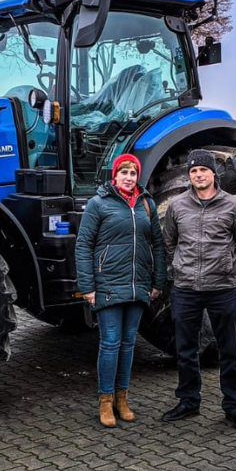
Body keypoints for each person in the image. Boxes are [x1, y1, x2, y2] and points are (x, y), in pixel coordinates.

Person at [160, 149, 236, 430]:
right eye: (193, 171)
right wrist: (178, 269)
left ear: (213, 173)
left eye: (203, 170)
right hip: (186, 289)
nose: (198, 175)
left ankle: (233, 406)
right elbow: (169, 243)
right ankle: (188, 400)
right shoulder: (177, 206)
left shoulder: (232, 206)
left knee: (230, 350)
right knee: (186, 350)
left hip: (221, 290)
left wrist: (230, 273)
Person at [76, 153, 167, 427]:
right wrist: (87, 286)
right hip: (108, 283)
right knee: (110, 343)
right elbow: (83, 245)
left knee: (128, 344)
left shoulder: (146, 204)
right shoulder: (98, 204)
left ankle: (122, 398)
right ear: (114, 176)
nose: (129, 178)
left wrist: (157, 281)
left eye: (133, 173)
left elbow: (158, 245)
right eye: (124, 173)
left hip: (138, 284)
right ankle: (105, 400)